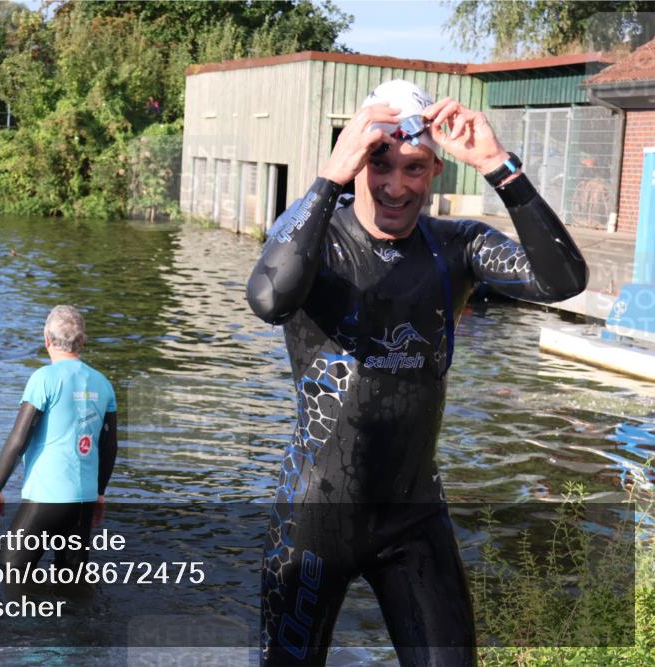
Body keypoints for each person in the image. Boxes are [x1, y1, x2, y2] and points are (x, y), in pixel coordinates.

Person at [246, 79, 588, 666]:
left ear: (435, 172)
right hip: (315, 515)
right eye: (380, 163)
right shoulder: (313, 238)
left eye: (415, 168)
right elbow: (270, 298)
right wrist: (329, 178)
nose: (395, 186)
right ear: (355, 157)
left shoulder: (458, 246)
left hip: (413, 516)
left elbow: (563, 281)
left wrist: (499, 165)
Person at [0, 305, 118, 572]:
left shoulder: (43, 379)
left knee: (10, 574)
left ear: (46, 339)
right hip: (84, 500)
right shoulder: (103, 383)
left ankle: (26, 615)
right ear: (82, 341)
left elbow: (19, 437)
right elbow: (109, 446)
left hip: (46, 498)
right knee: (71, 581)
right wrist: (100, 494)